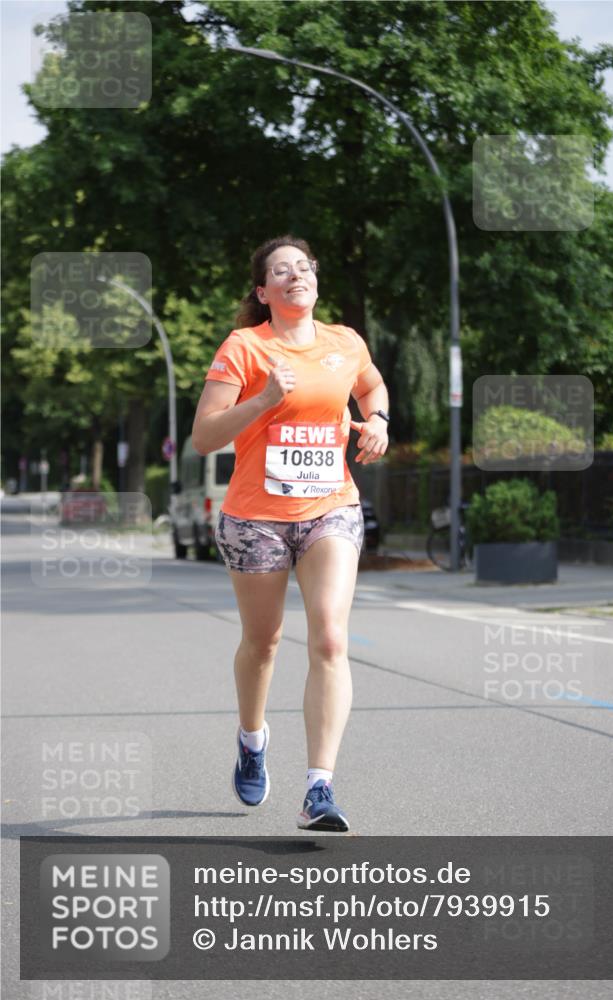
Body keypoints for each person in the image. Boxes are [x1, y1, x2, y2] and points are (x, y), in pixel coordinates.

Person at [192, 235, 389, 832]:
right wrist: (265, 400)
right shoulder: (244, 348)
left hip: (331, 505)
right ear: (263, 291)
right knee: (265, 642)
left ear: (315, 283)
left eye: (304, 267)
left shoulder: (345, 341)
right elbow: (204, 437)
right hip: (256, 516)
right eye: (281, 270)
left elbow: (372, 386)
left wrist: (377, 422)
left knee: (329, 639)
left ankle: (319, 789)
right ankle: (252, 739)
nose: (295, 275)